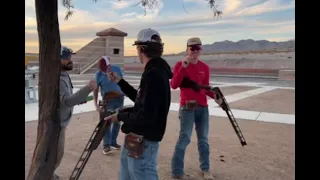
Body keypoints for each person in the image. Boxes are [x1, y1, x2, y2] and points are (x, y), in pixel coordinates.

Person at [106, 28, 173, 180]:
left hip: (144, 141)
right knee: (125, 174)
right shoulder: (154, 72)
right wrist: (120, 82)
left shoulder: (154, 75)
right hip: (136, 138)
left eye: (137, 48)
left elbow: (146, 116)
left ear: (141, 49)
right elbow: (141, 100)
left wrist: (121, 116)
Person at [170, 37, 222, 180]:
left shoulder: (205, 67)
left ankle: (205, 169)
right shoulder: (180, 65)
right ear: (187, 49)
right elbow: (174, 85)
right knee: (184, 138)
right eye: (192, 48)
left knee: (203, 139)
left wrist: (217, 98)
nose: (195, 51)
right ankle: (177, 171)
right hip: (187, 107)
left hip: (203, 108)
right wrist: (183, 67)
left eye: (198, 48)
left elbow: (205, 88)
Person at [53, 46, 97, 180]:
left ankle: (50, 174)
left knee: (57, 154)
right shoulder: (57, 78)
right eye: (66, 57)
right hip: (55, 125)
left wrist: (80, 99)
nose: (70, 59)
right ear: (57, 58)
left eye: (70, 56)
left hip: (61, 123)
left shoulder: (64, 75)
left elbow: (68, 99)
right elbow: (66, 101)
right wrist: (88, 89)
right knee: (55, 155)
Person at [93, 56, 124, 154]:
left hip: (119, 99)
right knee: (106, 123)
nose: (106, 71)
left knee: (117, 122)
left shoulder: (117, 69)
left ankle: (113, 142)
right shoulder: (97, 75)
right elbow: (95, 89)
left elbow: (122, 83)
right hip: (107, 101)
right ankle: (106, 146)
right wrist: (96, 104)